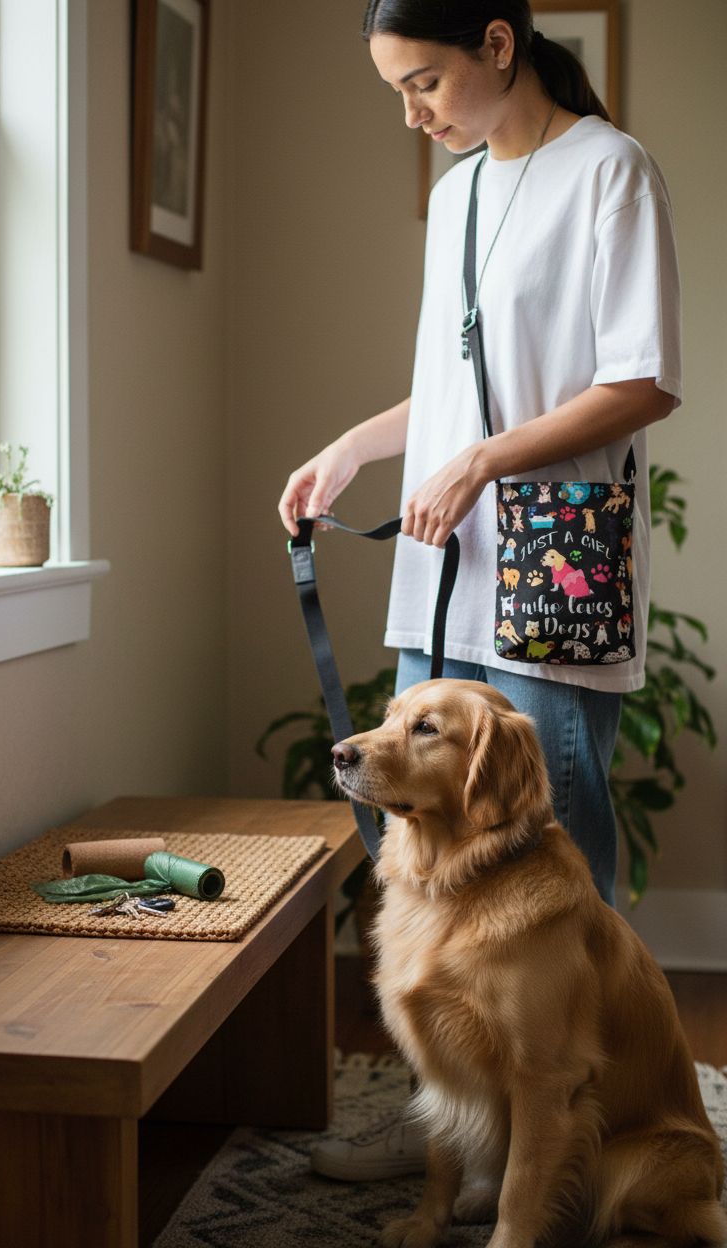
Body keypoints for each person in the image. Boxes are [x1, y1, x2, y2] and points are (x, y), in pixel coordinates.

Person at [278, 0, 681, 1182]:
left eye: (425, 82)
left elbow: (643, 380)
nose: (413, 110)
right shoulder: (454, 196)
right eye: (395, 91)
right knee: (421, 857)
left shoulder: (610, 171)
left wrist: (484, 462)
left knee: (548, 874)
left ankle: (563, 1138)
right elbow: (451, 386)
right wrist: (354, 449)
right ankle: (451, 1134)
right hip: (444, 568)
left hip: (551, 569)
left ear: (498, 45)